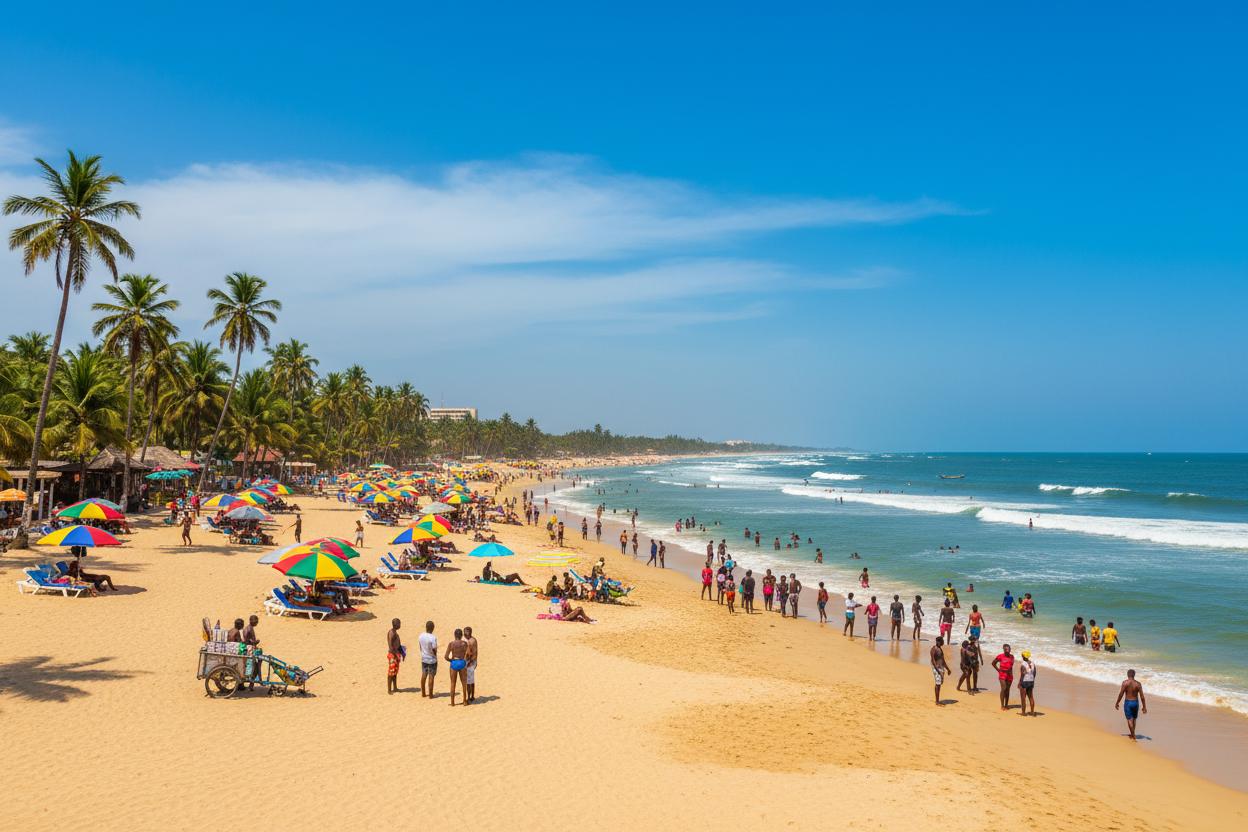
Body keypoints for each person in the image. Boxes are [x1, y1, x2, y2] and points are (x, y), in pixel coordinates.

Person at [1115, 669, 1148, 741]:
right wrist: (1144, 707)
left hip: (1128, 702)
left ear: (1127, 675)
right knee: (1134, 719)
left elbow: (1121, 694)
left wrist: (1117, 703)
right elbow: (1142, 696)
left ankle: (1133, 735)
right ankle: (1133, 732)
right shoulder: (1138, 684)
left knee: (1129, 719)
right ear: (1134, 675)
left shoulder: (1125, 683)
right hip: (1136, 702)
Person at [445, 628, 469, 706]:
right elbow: (467, 654)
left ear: (454, 635)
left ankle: (452, 702)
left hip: (454, 663)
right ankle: (464, 700)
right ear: (461, 635)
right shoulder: (465, 644)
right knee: (464, 683)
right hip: (462, 662)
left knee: (453, 683)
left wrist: (451, 660)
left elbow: (446, 656)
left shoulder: (451, 644)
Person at [991, 644, 1015, 711]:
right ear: (1003, 649)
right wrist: (998, 670)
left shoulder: (1012, 656)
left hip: (1009, 675)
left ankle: (1006, 704)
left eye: (1009, 649)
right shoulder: (1000, 656)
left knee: (1007, 689)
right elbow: (993, 663)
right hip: (1002, 674)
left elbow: (1011, 666)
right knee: (1003, 688)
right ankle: (1002, 705)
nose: (1008, 651)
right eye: (1006, 649)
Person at [418, 621, 438, 698]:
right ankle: (430, 694)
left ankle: (423, 693)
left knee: (424, 674)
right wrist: (435, 653)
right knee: (431, 676)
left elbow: (420, 647)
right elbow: (434, 649)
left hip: (424, 658)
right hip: (432, 659)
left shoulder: (421, 636)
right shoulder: (433, 638)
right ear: (433, 628)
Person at [1018, 650, 1037, 716]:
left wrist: (1019, 683)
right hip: (1031, 681)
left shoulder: (1023, 664)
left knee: (1023, 697)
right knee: (1031, 696)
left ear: (1023, 656)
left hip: (1024, 681)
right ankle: (1032, 712)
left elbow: (1022, 674)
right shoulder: (1032, 663)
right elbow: (1034, 673)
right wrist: (1032, 680)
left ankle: (1023, 712)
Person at [931, 637, 949, 706]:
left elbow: (942, 660)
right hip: (937, 668)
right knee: (938, 684)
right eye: (942, 641)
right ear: (938, 641)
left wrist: (947, 668)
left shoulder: (940, 649)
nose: (943, 643)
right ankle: (937, 701)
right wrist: (937, 670)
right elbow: (933, 660)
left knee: (940, 683)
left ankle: (937, 700)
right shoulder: (934, 649)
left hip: (941, 667)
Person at [387, 618, 404, 694]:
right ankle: (389, 689)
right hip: (392, 655)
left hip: (396, 654)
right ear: (394, 624)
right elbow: (390, 645)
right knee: (391, 672)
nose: (399, 625)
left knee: (395, 672)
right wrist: (395, 655)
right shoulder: (391, 633)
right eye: (398, 624)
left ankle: (395, 687)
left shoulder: (394, 632)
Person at [464, 626, 478, 704]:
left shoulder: (472, 641)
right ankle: (470, 696)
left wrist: (469, 663)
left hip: (471, 663)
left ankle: (470, 696)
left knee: (470, 682)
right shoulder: (465, 640)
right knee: (469, 681)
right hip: (467, 662)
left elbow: (474, 654)